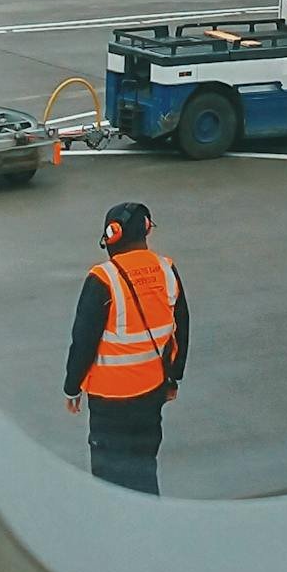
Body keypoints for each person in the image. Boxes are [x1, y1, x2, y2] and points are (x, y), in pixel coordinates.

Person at [63, 200, 189, 495]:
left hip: (111, 402)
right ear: (146, 230)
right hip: (151, 394)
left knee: (110, 479)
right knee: (144, 467)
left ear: (113, 234)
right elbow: (181, 328)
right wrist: (173, 378)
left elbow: (83, 340)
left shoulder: (102, 279)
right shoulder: (166, 269)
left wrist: (72, 387)